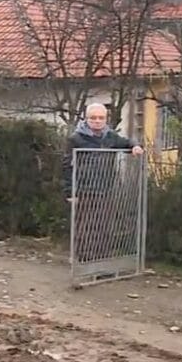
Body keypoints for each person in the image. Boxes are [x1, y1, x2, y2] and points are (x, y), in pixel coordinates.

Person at [63, 103, 144, 263]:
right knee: (85, 227)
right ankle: (85, 262)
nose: (97, 121)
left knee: (104, 227)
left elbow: (127, 142)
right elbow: (66, 166)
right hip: (84, 190)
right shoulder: (76, 139)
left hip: (106, 189)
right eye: (93, 118)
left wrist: (135, 146)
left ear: (106, 119)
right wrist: (70, 191)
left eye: (101, 118)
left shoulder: (111, 137)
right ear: (86, 119)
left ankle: (101, 263)